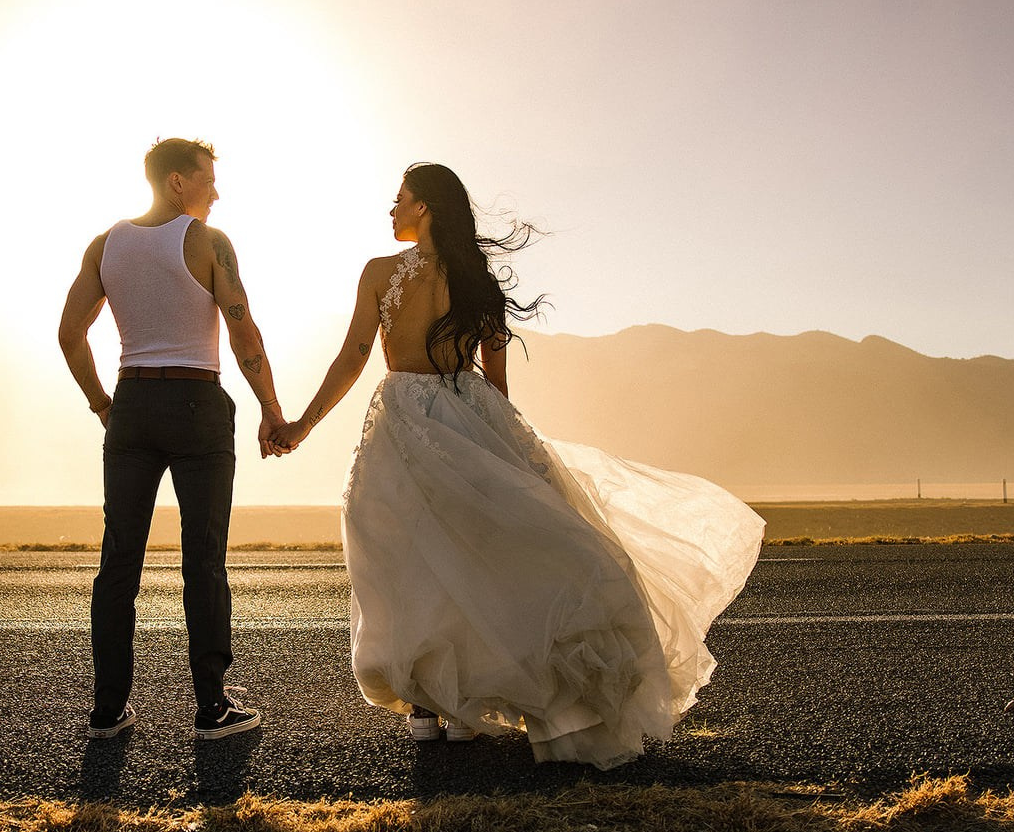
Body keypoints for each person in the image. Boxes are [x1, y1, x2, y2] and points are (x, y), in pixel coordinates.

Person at [267, 162, 763, 768]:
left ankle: (432, 706)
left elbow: (354, 355)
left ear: (424, 207)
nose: (391, 211)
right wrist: (507, 450)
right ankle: (463, 705)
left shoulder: (379, 273)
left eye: (399, 200)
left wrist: (302, 423)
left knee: (406, 554)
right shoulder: (480, 282)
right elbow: (497, 383)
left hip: (401, 417)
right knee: (483, 551)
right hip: (469, 412)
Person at [58, 138, 288, 741]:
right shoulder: (209, 242)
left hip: (132, 403)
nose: (217, 191)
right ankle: (212, 707)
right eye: (209, 179)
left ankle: (107, 709)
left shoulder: (105, 243)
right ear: (179, 182)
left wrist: (104, 404)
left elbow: (69, 334)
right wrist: (271, 408)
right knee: (203, 559)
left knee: (119, 561)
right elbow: (243, 331)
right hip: (196, 404)